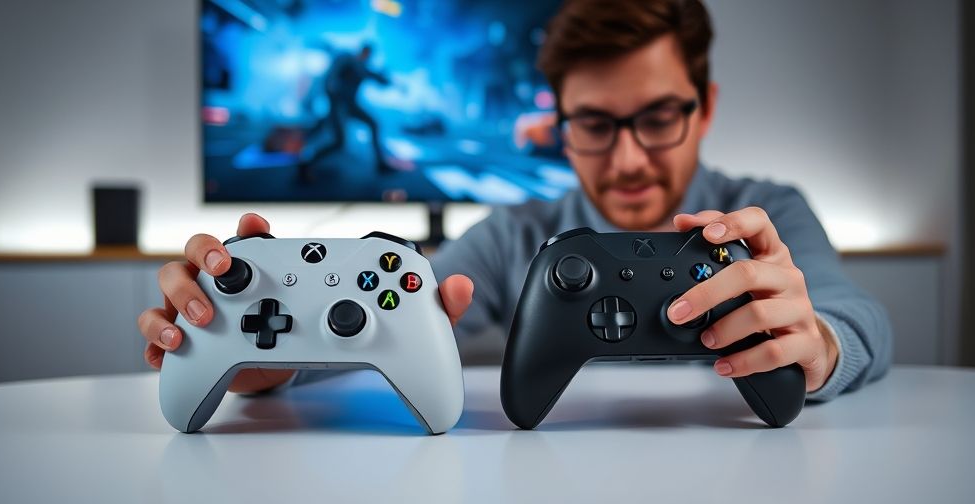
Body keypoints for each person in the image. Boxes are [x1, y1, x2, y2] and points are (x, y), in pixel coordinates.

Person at [139, 0, 891, 402]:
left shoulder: (763, 216)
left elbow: (859, 318)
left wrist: (818, 345)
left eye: (659, 117)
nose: (629, 158)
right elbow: (407, 309)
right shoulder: (515, 236)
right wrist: (277, 357)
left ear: (707, 106)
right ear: (557, 129)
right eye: (595, 124)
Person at [299, 43, 394, 181]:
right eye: (366, 53)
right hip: (339, 105)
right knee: (338, 142)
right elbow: (331, 77)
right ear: (361, 51)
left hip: (351, 106)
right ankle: (306, 163)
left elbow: (380, 81)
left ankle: (380, 163)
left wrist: (386, 77)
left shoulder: (362, 67)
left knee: (373, 124)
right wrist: (333, 92)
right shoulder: (347, 60)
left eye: (369, 55)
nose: (366, 57)